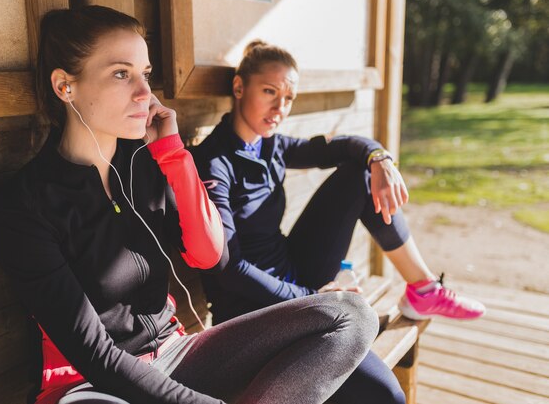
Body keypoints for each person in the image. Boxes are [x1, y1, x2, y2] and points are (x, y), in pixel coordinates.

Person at [0, 7, 382, 404]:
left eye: (144, 74)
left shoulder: (147, 165)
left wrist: (173, 154)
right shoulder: (25, 203)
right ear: (64, 86)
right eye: (121, 74)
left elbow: (210, 254)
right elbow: (94, 355)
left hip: (176, 355)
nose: (144, 93)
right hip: (92, 387)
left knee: (351, 316)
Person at [193, 40, 487, 402]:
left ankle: (423, 290)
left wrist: (379, 157)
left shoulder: (270, 145)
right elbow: (230, 269)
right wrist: (312, 297)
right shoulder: (212, 163)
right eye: (269, 92)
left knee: (359, 174)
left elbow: (345, 146)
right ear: (239, 87)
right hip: (254, 312)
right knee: (387, 395)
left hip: (296, 280)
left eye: (288, 98)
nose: (279, 108)